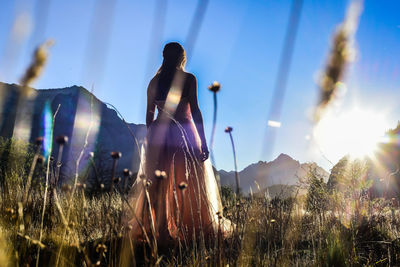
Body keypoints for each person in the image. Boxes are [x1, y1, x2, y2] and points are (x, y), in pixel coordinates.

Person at [128, 42, 230, 245]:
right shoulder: (189, 79)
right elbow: (196, 111)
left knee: (158, 184)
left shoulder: (154, 83)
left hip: (160, 135)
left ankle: (160, 231)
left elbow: (149, 116)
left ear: (164, 56)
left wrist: (154, 137)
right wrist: (202, 140)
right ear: (182, 59)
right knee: (190, 182)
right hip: (185, 133)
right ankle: (194, 230)